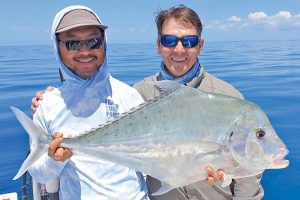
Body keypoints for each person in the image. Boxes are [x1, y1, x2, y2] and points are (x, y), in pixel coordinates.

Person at [32, 4, 264, 200]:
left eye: (189, 41)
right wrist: (53, 100)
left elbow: (249, 171)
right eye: (169, 40)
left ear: (200, 45)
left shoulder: (229, 98)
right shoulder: (139, 94)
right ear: (158, 44)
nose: (179, 49)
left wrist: (227, 180)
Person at [28, 5, 148, 200]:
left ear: (104, 43)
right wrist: (55, 160)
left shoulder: (130, 96)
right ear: (57, 47)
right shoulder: (47, 105)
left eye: (93, 42)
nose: (85, 51)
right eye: (73, 43)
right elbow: (39, 174)